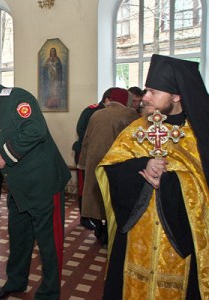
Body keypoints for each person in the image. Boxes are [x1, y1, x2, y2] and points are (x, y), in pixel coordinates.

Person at [96, 54, 209, 299]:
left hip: (181, 242)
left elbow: (204, 187)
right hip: (137, 237)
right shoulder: (137, 130)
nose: (144, 97)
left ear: (177, 95)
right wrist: (142, 166)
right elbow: (111, 167)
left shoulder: (199, 135)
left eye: (153, 91)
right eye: (146, 90)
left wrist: (169, 181)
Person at [0, 70, 71, 300]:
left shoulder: (18, 98)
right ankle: (16, 282)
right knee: (19, 238)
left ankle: (49, 294)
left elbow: (36, 130)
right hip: (19, 187)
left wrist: (7, 156)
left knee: (49, 244)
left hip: (43, 185)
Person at [77, 87, 138, 246]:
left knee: (97, 198)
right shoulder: (129, 114)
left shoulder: (96, 114)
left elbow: (86, 140)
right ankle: (110, 236)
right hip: (114, 164)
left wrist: (82, 164)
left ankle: (100, 230)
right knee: (112, 200)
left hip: (94, 163)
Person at [72, 88, 113, 230]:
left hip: (101, 154)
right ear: (107, 99)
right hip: (86, 152)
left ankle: (96, 216)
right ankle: (85, 217)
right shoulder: (92, 110)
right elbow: (81, 130)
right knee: (85, 185)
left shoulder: (113, 113)